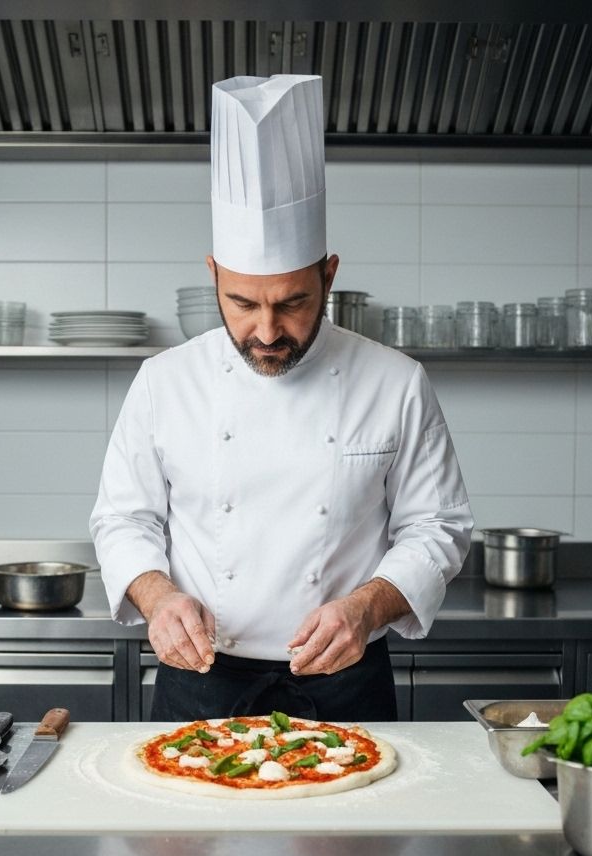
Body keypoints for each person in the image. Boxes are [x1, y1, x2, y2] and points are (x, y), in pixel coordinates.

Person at [90, 74, 473, 722]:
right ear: (213, 275)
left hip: (346, 679)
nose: (266, 332)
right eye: (242, 303)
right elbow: (123, 520)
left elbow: (437, 528)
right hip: (201, 677)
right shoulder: (164, 381)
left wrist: (367, 606)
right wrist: (157, 598)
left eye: (292, 302)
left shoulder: (395, 382)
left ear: (329, 275)